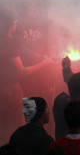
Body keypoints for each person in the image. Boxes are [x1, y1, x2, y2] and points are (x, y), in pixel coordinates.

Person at [0, 8, 52, 145]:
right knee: (16, 125)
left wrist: (40, 56)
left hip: (3, 89)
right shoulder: (7, 42)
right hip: (8, 91)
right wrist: (44, 63)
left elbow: (22, 51)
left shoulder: (6, 40)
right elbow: (21, 71)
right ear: (11, 25)